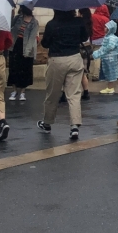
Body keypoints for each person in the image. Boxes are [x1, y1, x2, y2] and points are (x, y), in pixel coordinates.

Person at [37, 9, 89, 140]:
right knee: (74, 94)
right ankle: (74, 126)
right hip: (75, 58)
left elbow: (45, 43)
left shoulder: (52, 24)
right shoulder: (79, 22)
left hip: (57, 59)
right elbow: (84, 37)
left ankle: (47, 123)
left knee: (52, 93)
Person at [8, 6, 38, 101]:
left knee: (25, 70)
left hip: (26, 47)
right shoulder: (17, 18)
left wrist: (27, 51)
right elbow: (9, 26)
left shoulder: (34, 22)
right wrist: (11, 14)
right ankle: (14, 90)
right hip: (15, 45)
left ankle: (22, 92)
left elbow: (32, 37)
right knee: (13, 68)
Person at [91, 20, 118, 96]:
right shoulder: (108, 37)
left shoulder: (111, 38)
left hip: (110, 58)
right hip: (107, 58)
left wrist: (100, 52)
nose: (104, 28)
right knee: (108, 72)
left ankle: (110, 87)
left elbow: (109, 47)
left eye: (106, 27)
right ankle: (109, 86)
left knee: (111, 72)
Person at [77, 8, 94, 100]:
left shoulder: (80, 24)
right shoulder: (89, 23)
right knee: (83, 72)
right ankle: (86, 91)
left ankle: (65, 93)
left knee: (77, 72)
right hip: (87, 48)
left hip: (80, 48)